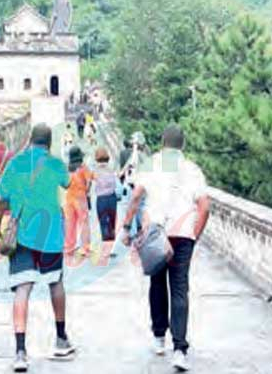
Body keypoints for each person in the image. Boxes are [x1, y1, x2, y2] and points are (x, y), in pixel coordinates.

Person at [121, 125, 209, 372]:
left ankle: (159, 336)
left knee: (157, 283)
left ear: (162, 143)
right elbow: (204, 206)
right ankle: (180, 349)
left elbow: (136, 196)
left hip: (155, 233)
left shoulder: (150, 164)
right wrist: (195, 235)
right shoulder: (193, 169)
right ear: (183, 145)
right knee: (180, 288)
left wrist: (127, 227)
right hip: (182, 236)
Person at [0, 123, 75, 372]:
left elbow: (1, 194)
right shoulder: (55, 163)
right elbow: (67, 182)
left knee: (23, 289)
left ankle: (20, 351)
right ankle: (61, 339)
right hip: (50, 232)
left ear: (30, 139)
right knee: (56, 283)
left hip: (22, 234)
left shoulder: (16, 163)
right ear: (49, 143)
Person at [63, 146, 94, 257]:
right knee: (84, 223)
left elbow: (65, 184)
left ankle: (69, 248)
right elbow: (89, 181)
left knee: (70, 223)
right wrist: (87, 191)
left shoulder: (67, 169)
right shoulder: (83, 167)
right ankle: (85, 248)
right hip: (80, 198)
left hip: (69, 198)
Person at [93, 147, 122, 257]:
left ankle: (105, 250)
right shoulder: (111, 170)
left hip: (101, 199)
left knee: (103, 223)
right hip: (112, 198)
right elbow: (117, 182)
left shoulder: (95, 171)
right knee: (112, 223)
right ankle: (111, 249)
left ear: (96, 158)